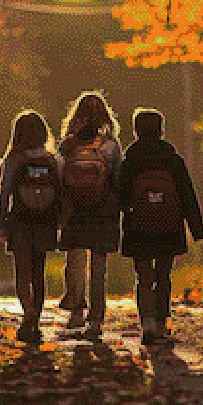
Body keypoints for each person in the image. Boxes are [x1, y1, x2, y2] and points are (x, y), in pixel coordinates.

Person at [119, 107, 203, 345]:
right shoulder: (173, 160)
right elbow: (187, 195)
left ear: (135, 130)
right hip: (170, 226)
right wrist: (197, 229)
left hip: (139, 227)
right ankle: (161, 322)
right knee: (164, 275)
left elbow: (121, 196)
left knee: (144, 275)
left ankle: (146, 321)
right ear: (161, 130)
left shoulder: (131, 160)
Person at [57, 90, 123, 339]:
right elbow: (118, 180)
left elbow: (60, 177)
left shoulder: (68, 144)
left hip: (74, 210)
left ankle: (75, 312)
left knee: (74, 261)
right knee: (98, 265)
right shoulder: (111, 147)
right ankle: (95, 320)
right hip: (103, 211)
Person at [0, 110, 63, 343]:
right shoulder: (51, 159)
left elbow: (3, 194)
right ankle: (35, 320)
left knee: (22, 273)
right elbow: (61, 193)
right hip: (45, 222)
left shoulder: (14, 159)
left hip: (20, 221)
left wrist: (1, 223)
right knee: (38, 272)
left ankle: (28, 315)